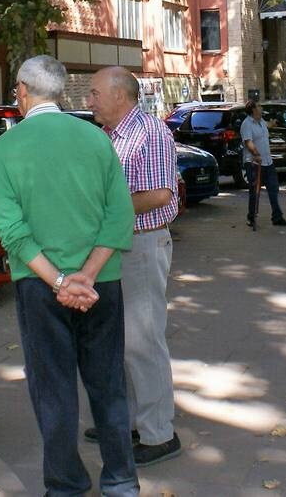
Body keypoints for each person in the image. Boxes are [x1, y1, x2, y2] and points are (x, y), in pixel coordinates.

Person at [0, 56, 139, 496]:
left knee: (53, 390)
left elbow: (11, 230)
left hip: (39, 285)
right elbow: (119, 214)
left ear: (21, 91)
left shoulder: (5, 149)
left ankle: (67, 484)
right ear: (62, 93)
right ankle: (121, 479)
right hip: (101, 284)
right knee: (107, 383)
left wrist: (59, 282)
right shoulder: (96, 139)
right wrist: (87, 276)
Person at [86, 66, 183, 466]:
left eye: (93, 94)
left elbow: (160, 194)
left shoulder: (150, 132)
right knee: (117, 341)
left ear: (119, 96)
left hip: (141, 244)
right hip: (117, 246)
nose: (88, 100)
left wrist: (106, 212)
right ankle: (125, 421)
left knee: (143, 341)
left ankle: (159, 433)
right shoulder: (110, 134)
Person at [240, 99, 286, 228]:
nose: (261, 107)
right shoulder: (247, 124)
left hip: (268, 162)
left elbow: (267, 126)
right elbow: (248, 142)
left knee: (273, 189)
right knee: (254, 191)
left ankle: (277, 217)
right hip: (254, 164)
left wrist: (273, 123)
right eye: (259, 106)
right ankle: (251, 217)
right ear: (253, 109)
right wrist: (256, 154)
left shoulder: (261, 122)